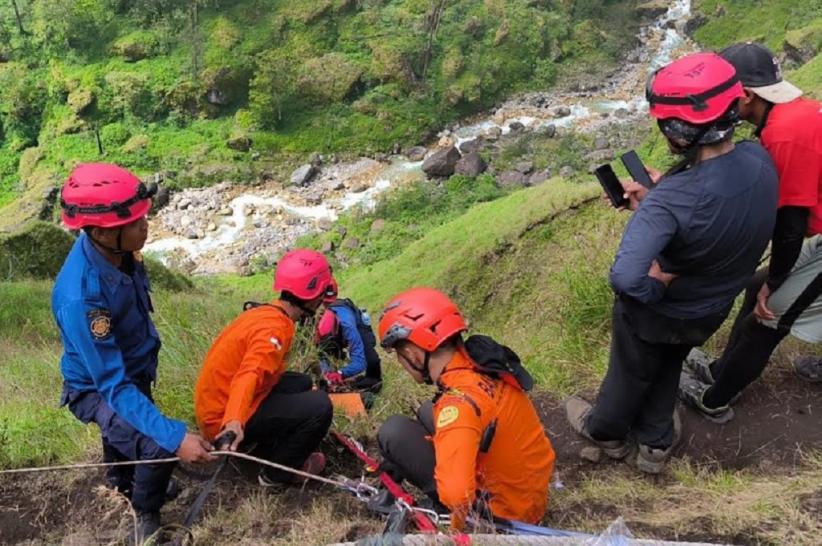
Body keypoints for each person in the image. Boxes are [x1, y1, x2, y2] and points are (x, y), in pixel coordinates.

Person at [564, 52, 779, 473]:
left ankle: (606, 433)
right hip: (711, 307)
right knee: (670, 362)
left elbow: (625, 277)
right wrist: (667, 196)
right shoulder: (760, 160)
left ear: (678, 133)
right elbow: (716, 213)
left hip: (657, 313)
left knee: (629, 372)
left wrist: (655, 283)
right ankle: (656, 444)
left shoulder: (668, 203)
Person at [52, 163, 215, 544]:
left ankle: (122, 479)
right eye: (138, 224)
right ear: (102, 232)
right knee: (156, 441)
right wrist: (175, 439)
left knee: (129, 429)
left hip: (133, 368)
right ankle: (145, 511)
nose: (147, 228)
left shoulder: (119, 254)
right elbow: (111, 384)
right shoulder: (81, 296)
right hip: (97, 386)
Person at [679, 43, 822, 421]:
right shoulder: (792, 114)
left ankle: (715, 399)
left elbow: (790, 225)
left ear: (743, 96)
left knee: (768, 315)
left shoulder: (784, 134)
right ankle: (720, 370)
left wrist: (775, 283)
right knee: (754, 287)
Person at [374, 287, 555, 529]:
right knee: (430, 411)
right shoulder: (483, 365)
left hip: (505, 514)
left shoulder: (458, 404)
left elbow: (457, 496)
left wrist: (458, 527)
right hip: (530, 493)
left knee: (394, 432)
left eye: (399, 353)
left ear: (413, 353)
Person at [194, 248, 334, 487]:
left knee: (300, 382)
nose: (322, 300)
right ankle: (275, 476)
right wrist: (234, 422)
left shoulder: (267, 313)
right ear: (310, 294)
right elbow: (250, 374)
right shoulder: (274, 330)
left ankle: (268, 444)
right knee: (320, 406)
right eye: (322, 293)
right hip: (223, 418)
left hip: (218, 405)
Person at [315, 279, 383, 393]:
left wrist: (341, 373)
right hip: (331, 334)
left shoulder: (349, 326)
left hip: (353, 321)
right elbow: (318, 354)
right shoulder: (313, 320)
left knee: (371, 359)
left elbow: (360, 363)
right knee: (326, 358)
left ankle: (374, 381)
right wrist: (325, 374)